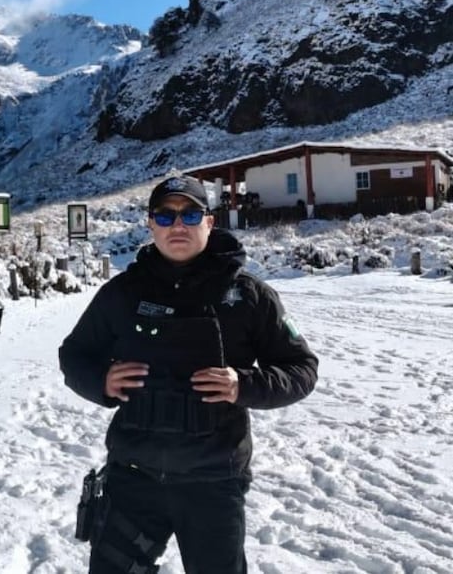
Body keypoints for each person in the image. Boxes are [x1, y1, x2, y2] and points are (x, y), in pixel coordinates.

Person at [59, 175, 318, 573]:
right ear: (150, 224)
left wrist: (243, 385)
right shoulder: (122, 293)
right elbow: (75, 354)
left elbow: (301, 369)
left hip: (213, 481)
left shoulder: (249, 295)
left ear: (209, 223)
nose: (177, 225)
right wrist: (101, 382)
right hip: (133, 477)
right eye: (165, 216)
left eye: (190, 215)